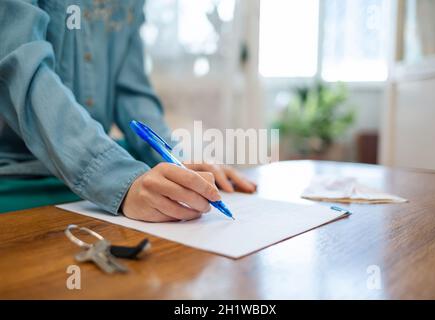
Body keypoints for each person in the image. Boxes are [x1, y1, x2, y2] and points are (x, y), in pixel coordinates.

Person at [0, 0, 256, 221]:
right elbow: (21, 70)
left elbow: (131, 91)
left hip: (96, 178)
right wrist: (120, 179)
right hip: (19, 176)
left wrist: (174, 160)